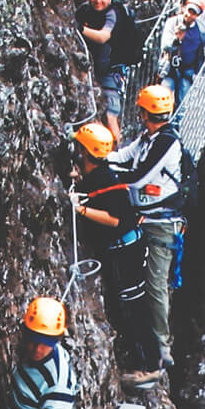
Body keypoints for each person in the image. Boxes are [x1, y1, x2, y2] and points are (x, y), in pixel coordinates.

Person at [107, 83, 197, 369]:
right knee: (141, 277)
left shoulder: (166, 142)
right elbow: (122, 157)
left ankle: (161, 344)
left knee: (156, 283)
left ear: (145, 112)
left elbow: (136, 178)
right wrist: (99, 158)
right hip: (148, 219)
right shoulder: (149, 138)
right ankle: (142, 332)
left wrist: (103, 172)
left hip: (162, 224)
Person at [71, 122, 161, 388]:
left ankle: (148, 367)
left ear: (86, 153)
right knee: (130, 306)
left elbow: (115, 220)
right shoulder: (101, 176)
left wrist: (82, 211)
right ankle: (145, 361)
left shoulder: (107, 182)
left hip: (126, 252)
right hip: (125, 249)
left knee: (134, 308)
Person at [76, 0, 125, 146]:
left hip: (111, 73)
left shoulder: (113, 13)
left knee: (111, 116)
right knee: (94, 114)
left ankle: (118, 154)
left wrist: (79, 29)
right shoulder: (85, 10)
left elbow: (103, 37)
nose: (98, 0)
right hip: (94, 70)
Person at [158, 0, 205, 104]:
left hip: (188, 70)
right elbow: (165, 46)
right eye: (189, 10)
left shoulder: (201, 28)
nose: (189, 15)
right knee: (164, 96)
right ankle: (163, 119)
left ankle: (177, 120)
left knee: (182, 100)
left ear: (198, 16)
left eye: (194, 13)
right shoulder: (172, 23)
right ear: (184, 7)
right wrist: (177, 39)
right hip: (170, 68)